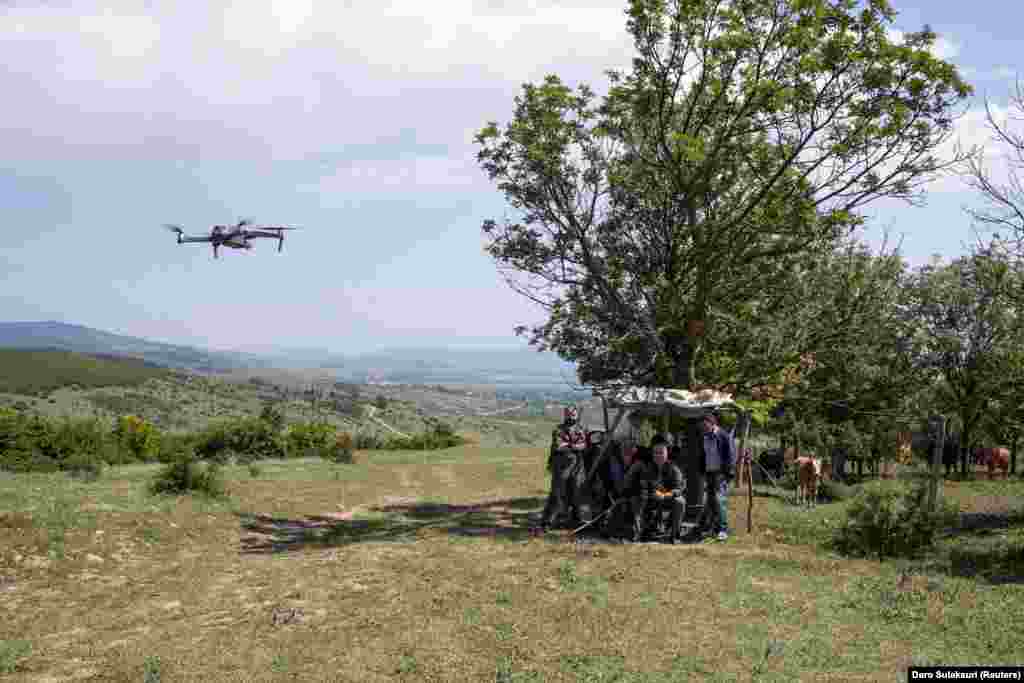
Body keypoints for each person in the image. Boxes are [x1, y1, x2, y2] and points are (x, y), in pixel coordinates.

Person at [622, 442, 685, 543]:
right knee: (636, 498)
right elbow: (642, 484)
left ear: (667, 454)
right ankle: (636, 534)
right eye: (656, 453)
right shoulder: (647, 467)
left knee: (680, 501)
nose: (658, 455)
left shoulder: (674, 469)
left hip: (667, 498)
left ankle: (675, 536)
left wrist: (664, 495)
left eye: (661, 453)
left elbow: (678, 489)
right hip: (650, 498)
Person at [538, 406, 588, 530]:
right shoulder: (558, 429)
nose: (571, 416)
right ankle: (547, 522)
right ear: (565, 415)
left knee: (576, 493)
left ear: (577, 415)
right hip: (561, 466)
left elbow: (583, 445)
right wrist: (574, 445)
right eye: (569, 414)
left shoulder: (581, 429)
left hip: (577, 466)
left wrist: (569, 444)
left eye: (573, 414)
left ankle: (576, 520)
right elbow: (559, 446)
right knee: (557, 494)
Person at [692, 412, 735, 542]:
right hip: (709, 473)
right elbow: (703, 455)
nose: (703, 429)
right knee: (710, 501)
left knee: (718, 499)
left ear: (712, 424)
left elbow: (731, 456)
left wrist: (727, 475)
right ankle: (706, 527)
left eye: (705, 426)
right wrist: (702, 471)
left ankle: (723, 530)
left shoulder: (723, 436)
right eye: (702, 427)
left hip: (721, 473)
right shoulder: (704, 437)